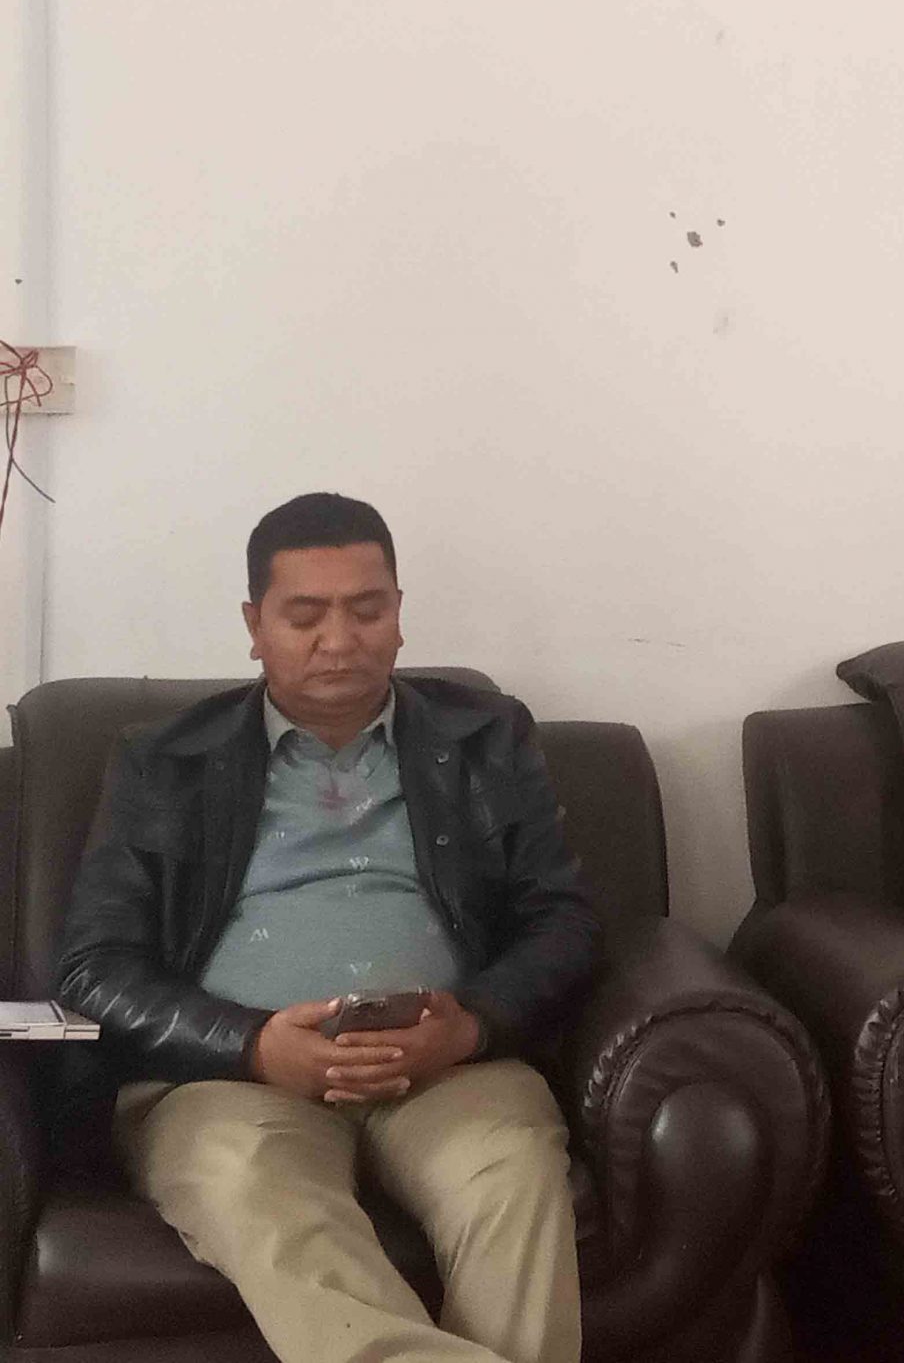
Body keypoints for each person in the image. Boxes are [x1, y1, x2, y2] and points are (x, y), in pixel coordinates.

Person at [55, 493, 600, 1363]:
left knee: (511, 1185)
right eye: (305, 616)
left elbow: (562, 921)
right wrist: (252, 1044)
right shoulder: (164, 762)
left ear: (399, 613)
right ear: (254, 624)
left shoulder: (487, 738)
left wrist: (471, 1025)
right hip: (233, 1086)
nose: (339, 640)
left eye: (366, 610)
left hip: (446, 1068)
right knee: (258, 1194)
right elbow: (94, 967)